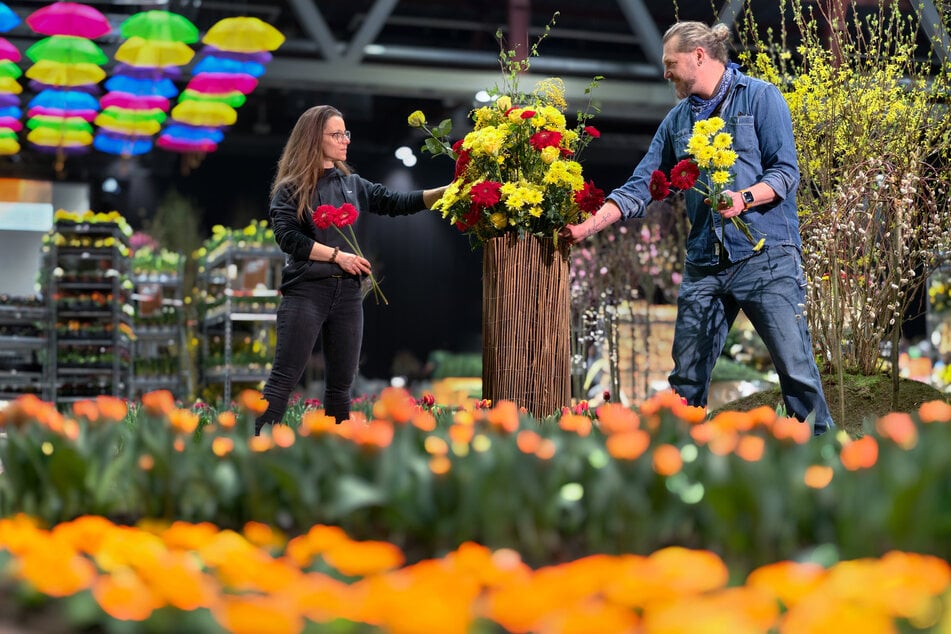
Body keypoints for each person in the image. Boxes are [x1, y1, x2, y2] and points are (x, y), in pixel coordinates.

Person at [560, 21, 834, 435]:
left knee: (796, 374)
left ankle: (825, 461)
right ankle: (681, 467)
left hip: (766, 256)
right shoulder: (676, 122)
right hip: (705, 262)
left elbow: (786, 173)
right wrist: (588, 227)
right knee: (685, 381)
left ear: (699, 57)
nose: (666, 72)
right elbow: (642, 184)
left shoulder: (761, 97)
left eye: (670, 63)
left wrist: (742, 198)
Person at [254, 104, 447, 435]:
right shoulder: (291, 187)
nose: (345, 140)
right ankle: (255, 446)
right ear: (314, 138)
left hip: (347, 296)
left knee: (341, 388)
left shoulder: (352, 184)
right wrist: (337, 256)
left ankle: (336, 455)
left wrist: (447, 192)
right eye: (336, 134)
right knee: (283, 379)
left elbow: (396, 202)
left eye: (346, 133)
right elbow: (288, 238)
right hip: (306, 293)